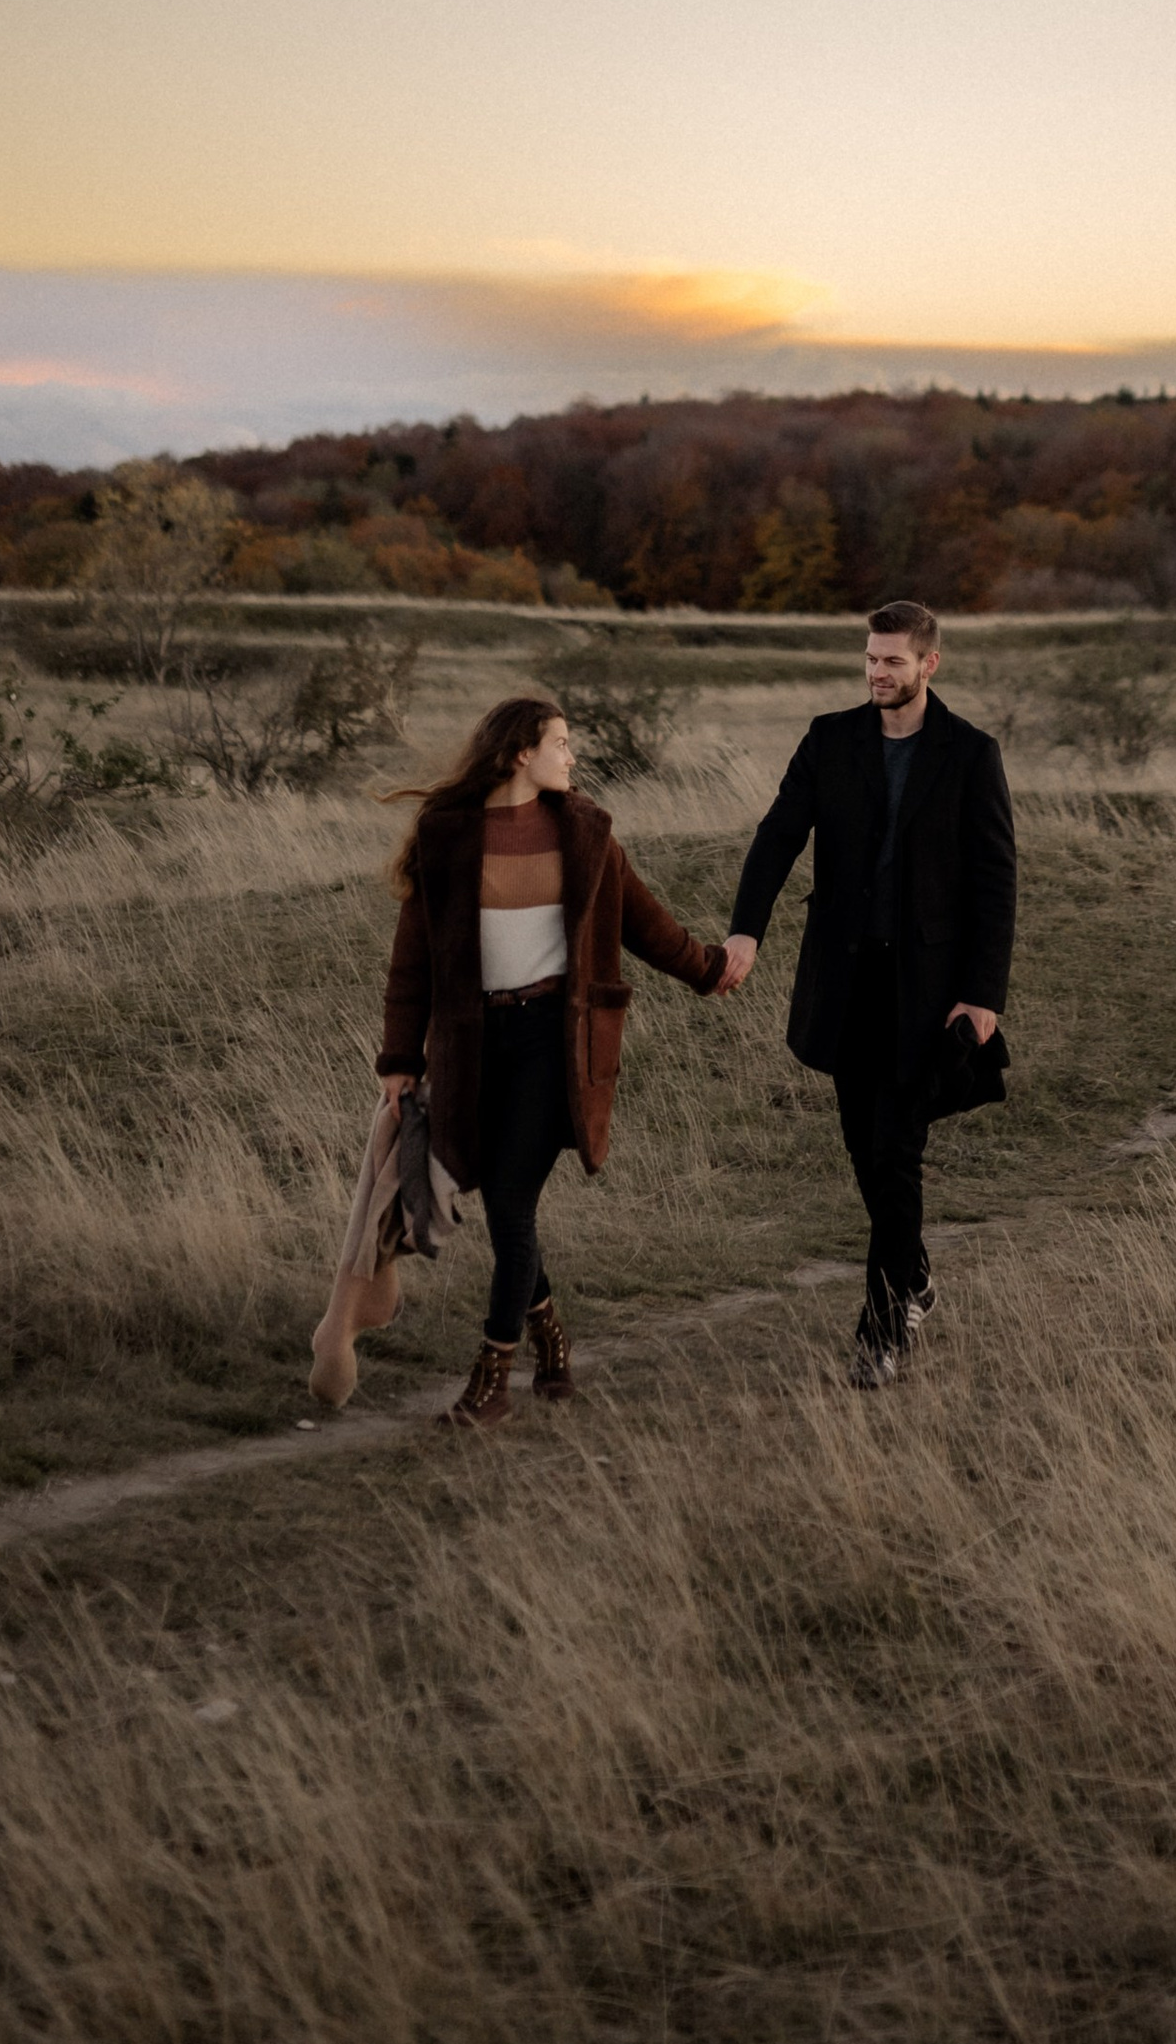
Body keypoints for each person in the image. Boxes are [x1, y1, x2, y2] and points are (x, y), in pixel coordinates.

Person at [380, 691, 742, 1430]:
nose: (572, 757)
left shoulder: (587, 835)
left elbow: (646, 924)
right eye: (561, 743)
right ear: (522, 753)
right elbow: (412, 960)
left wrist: (710, 969)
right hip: (474, 1047)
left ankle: (492, 1381)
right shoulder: (447, 837)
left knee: (514, 1204)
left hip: (556, 1044)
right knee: (502, 1201)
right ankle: (550, 1339)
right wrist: (398, 1057)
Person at [727, 600, 1015, 1388]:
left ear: (929, 665)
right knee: (864, 1147)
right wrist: (746, 930)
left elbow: (996, 884)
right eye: (870, 658)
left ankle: (883, 1331)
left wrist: (982, 994)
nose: (877, 672)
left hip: (925, 995)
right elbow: (779, 833)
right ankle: (916, 1274)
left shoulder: (969, 755)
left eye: (893, 661)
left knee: (896, 1155)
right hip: (846, 984)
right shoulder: (830, 740)